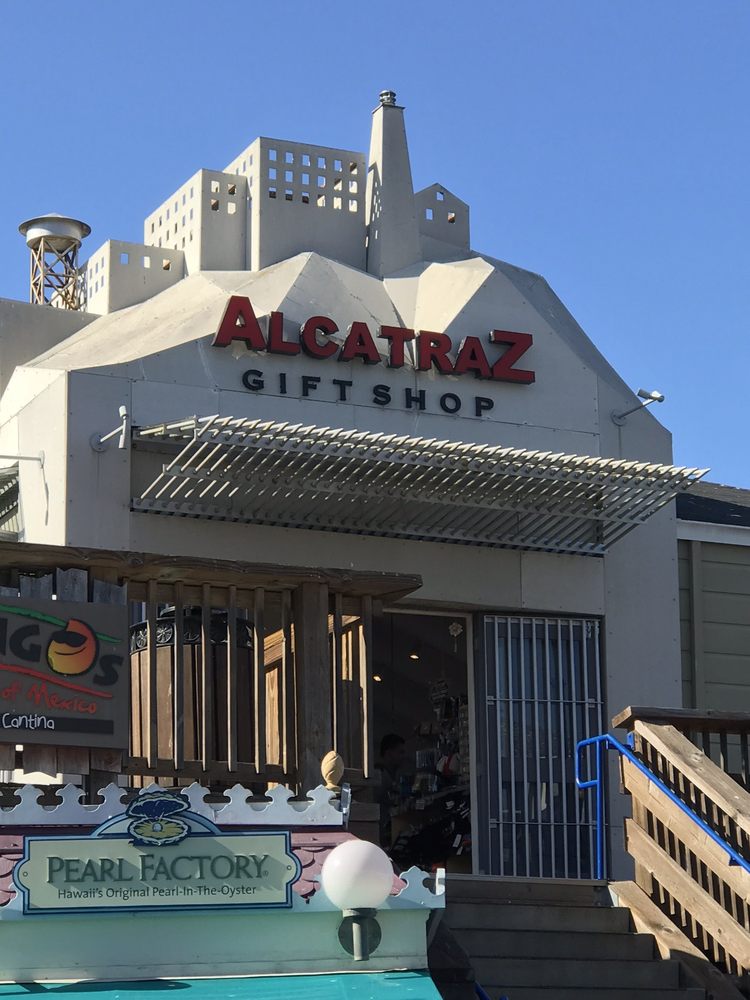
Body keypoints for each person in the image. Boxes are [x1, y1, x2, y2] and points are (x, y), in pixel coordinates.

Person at [375, 733, 406, 849]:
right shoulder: (379, 774)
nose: (403, 756)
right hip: (380, 829)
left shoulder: (393, 774)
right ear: (389, 753)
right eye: (400, 752)